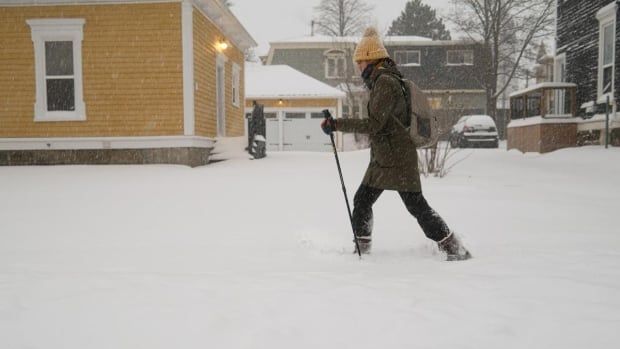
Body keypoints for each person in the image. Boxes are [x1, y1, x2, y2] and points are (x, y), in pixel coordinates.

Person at [320, 27, 471, 261]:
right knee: (366, 200)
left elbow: (374, 124)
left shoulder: (385, 83)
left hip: (395, 158)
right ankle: (363, 248)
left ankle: (453, 247)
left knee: (415, 205)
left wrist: (337, 124)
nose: (358, 68)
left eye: (360, 63)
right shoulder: (388, 80)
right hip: (388, 157)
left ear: (371, 60)